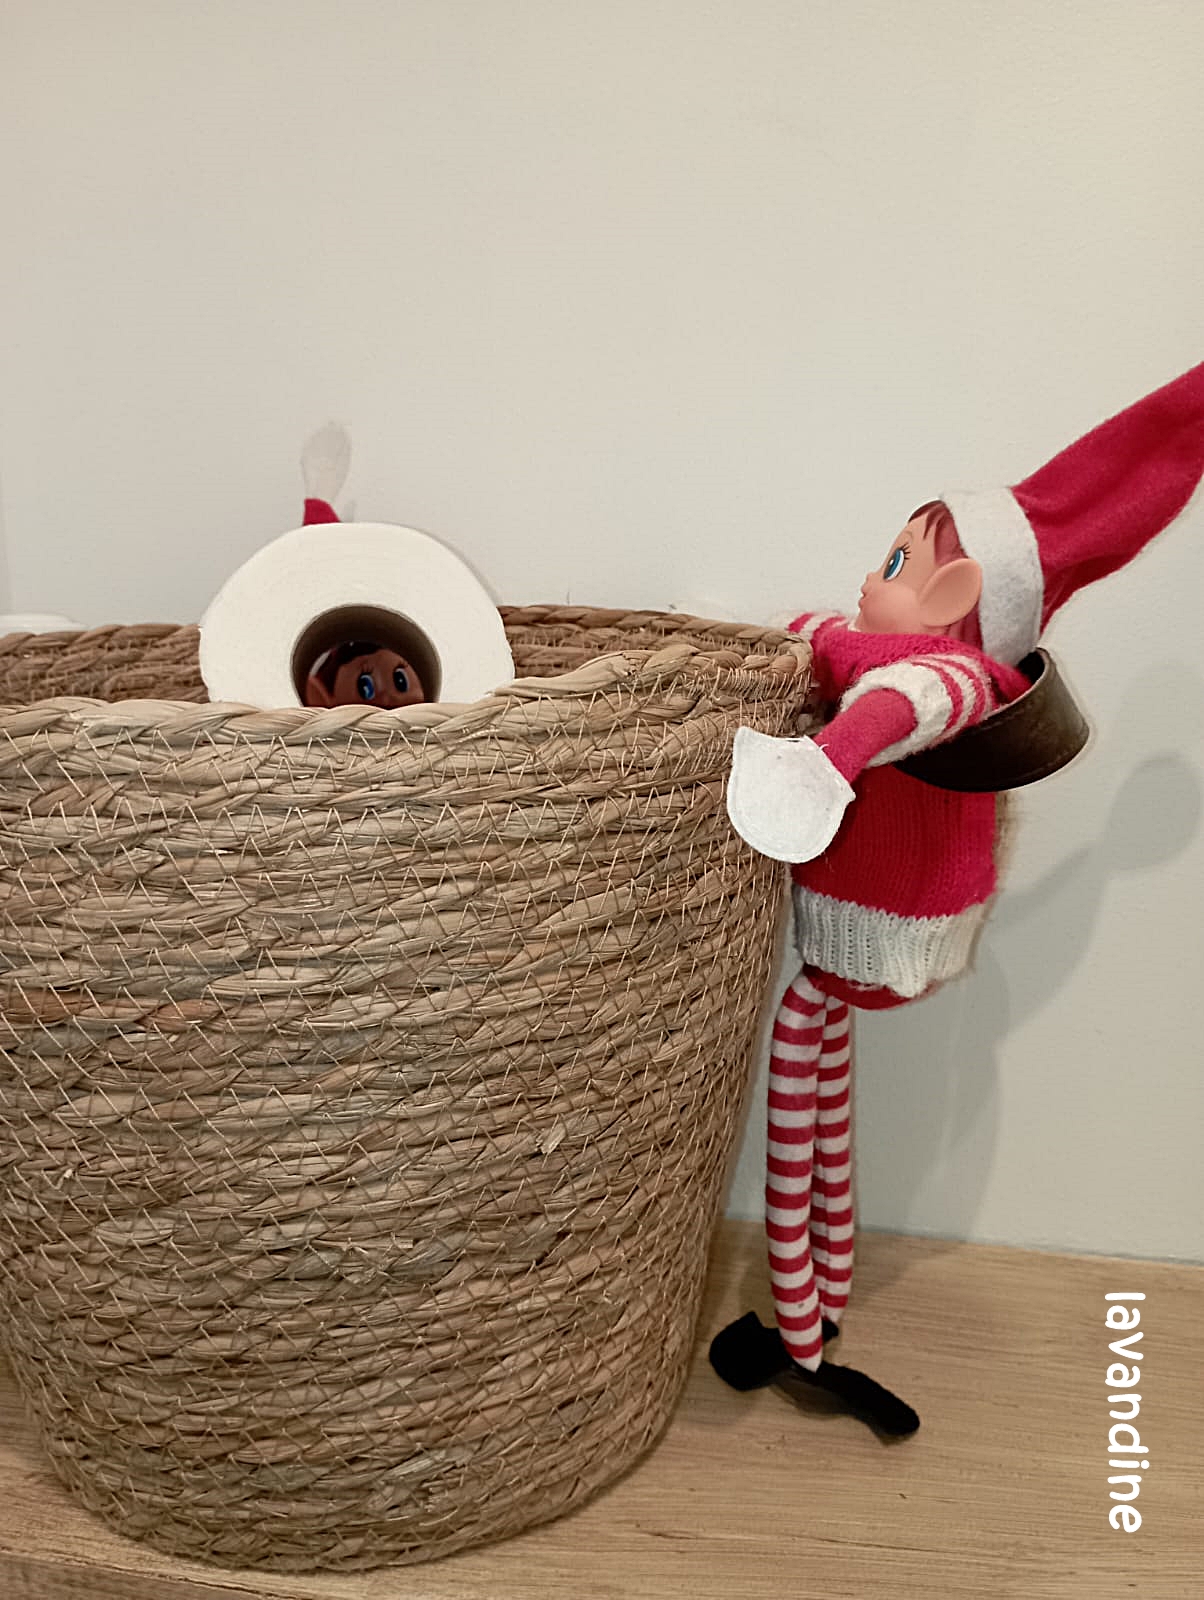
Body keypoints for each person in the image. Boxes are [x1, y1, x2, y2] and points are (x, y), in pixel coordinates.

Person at [713, 361, 1204, 1434]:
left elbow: (897, 702)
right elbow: (822, 636)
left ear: (951, 595)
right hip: (870, 940)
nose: (870, 576)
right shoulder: (881, 651)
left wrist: (824, 764)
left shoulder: (950, 678)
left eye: (896, 561)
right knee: (824, 1088)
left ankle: (800, 1334)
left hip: (876, 937)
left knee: (800, 1068)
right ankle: (822, 1303)